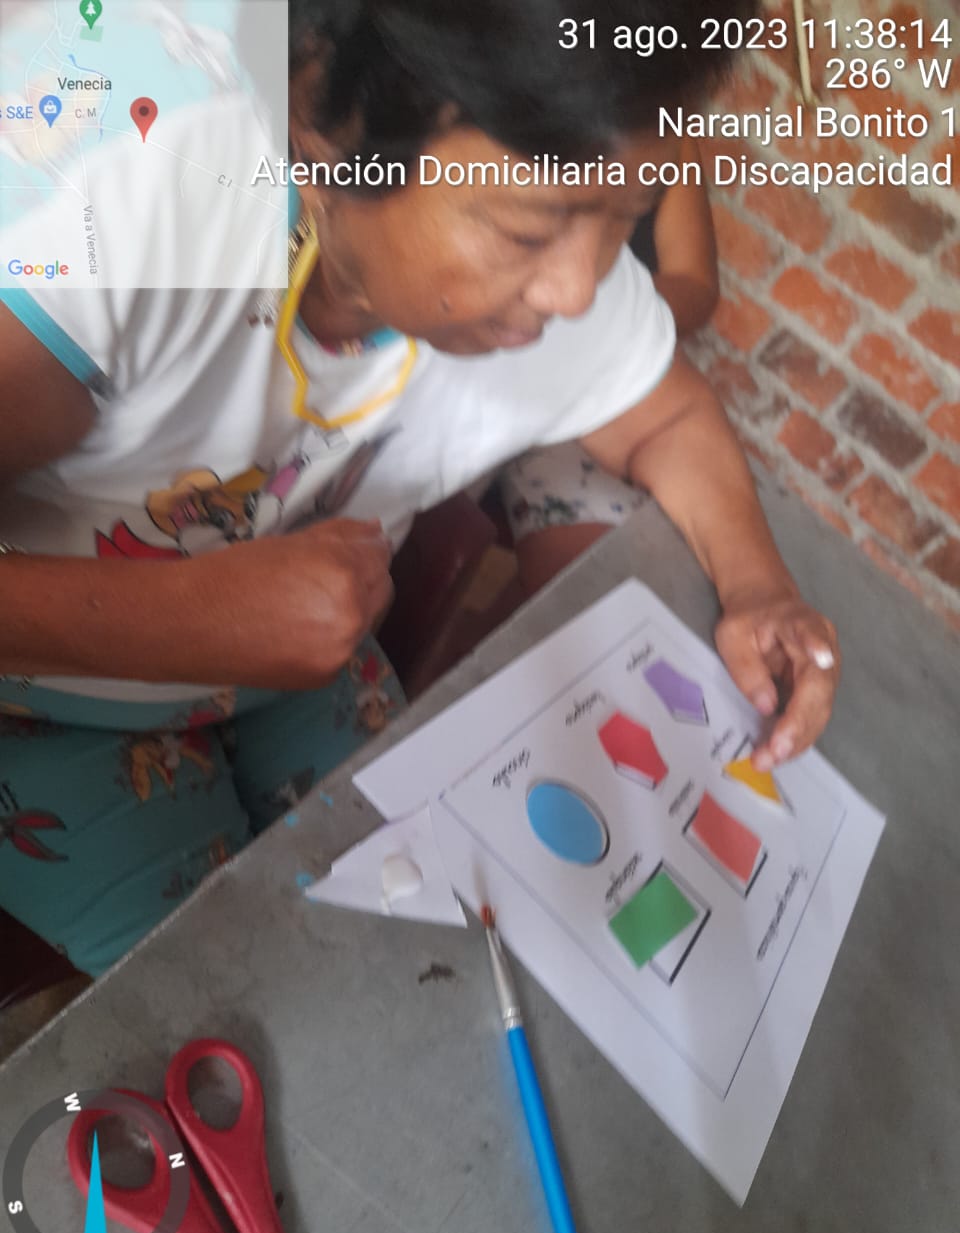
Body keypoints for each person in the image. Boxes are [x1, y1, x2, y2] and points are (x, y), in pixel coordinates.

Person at [0, 0, 839, 977]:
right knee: (242, 986)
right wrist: (185, 616)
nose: (577, 290)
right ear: (328, 129)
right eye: (529, 228)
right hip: (44, 702)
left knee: (413, 948)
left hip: (298, 666)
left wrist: (757, 584)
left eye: (624, 216)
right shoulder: (107, 207)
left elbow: (670, 416)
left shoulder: (552, 270)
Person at [501, 135, 722, 593]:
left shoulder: (669, 138)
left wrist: (597, 324)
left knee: (605, 581)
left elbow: (696, 287)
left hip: (585, 382)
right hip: (482, 348)